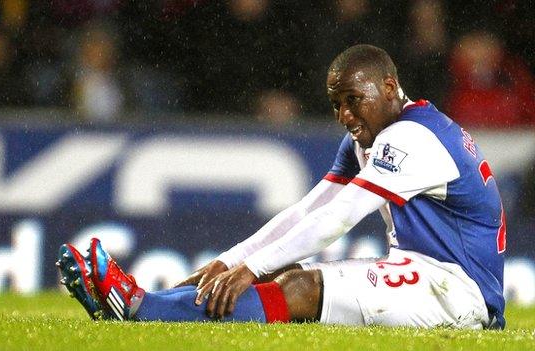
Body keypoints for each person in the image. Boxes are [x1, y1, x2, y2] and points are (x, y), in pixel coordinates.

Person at [57, 45, 505, 329]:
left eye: (355, 100)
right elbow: (310, 209)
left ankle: (137, 307)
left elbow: (342, 214)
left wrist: (253, 267)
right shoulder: (374, 136)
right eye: (336, 104)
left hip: (458, 293)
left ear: (390, 87)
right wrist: (233, 260)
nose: (346, 116)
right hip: (425, 273)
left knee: (300, 288)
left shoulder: (411, 138)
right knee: (283, 275)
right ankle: (139, 301)